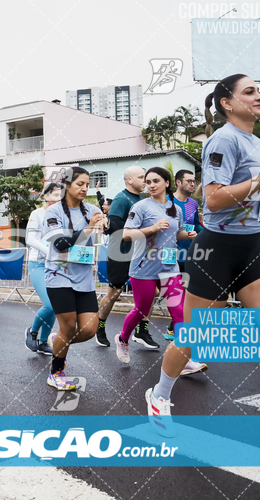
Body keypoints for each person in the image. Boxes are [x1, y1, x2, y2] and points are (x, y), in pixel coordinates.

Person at [146, 74, 260, 465]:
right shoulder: (223, 139)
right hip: (216, 251)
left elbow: (245, 197)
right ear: (227, 103)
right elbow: (212, 200)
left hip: (250, 247)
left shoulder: (256, 142)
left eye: (258, 90)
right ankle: (160, 395)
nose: (259, 95)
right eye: (249, 91)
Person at [116, 167, 205, 376]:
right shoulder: (140, 207)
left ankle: (185, 360)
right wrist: (152, 229)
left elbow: (177, 234)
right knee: (141, 310)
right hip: (144, 269)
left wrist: (188, 234)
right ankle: (122, 339)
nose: (151, 185)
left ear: (167, 183)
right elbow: (127, 235)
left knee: (180, 312)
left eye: (156, 181)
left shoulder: (177, 209)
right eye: (148, 182)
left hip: (169, 268)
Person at [41, 167, 106, 390]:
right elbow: (60, 243)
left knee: (89, 329)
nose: (85, 188)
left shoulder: (91, 209)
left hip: (84, 278)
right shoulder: (53, 212)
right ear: (67, 185)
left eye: (87, 184)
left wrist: (106, 223)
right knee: (68, 327)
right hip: (59, 276)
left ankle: (57, 340)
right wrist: (89, 228)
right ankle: (56, 372)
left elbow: (111, 229)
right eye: (80, 184)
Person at [96, 166, 149, 348]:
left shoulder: (140, 199)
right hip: (120, 252)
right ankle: (100, 326)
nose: (145, 180)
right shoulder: (121, 198)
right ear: (129, 180)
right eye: (142, 177)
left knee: (149, 291)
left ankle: (142, 331)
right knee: (114, 292)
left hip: (138, 253)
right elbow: (117, 227)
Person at [23, 181, 62, 355]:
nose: (58, 198)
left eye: (61, 195)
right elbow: (30, 239)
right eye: (54, 194)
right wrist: (48, 251)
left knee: (55, 305)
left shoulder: (62, 215)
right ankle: (32, 331)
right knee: (50, 303)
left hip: (56, 265)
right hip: (38, 264)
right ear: (45, 196)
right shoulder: (37, 214)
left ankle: (43, 341)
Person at [165, 170, 203, 341]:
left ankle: (174, 328)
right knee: (173, 293)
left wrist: (205, 235)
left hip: (187, 253)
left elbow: (196, 225)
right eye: (188, 181)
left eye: (193, 181)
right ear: (178, 182)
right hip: (168, 254)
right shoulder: (166, 202)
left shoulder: (193, 204)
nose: (192, 184)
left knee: (186, 291)